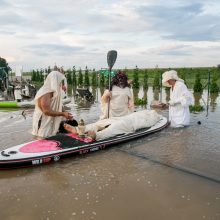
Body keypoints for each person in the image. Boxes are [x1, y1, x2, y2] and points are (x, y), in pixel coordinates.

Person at [64, 109, 162, 141]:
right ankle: (79, 129)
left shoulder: (154, 117)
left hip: (131, 123)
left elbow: (148, 122)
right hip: (126, 117)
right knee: (104, 122)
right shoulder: (146, 111)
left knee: (116, 127)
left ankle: (97, 135)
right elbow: (133, 112)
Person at [32, 70, 73, 138]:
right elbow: (46, 111)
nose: (61, 84)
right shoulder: (45, 93)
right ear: (55, 81)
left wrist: (65, 112)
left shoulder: (54, 92)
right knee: (41, 138)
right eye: (59, 81)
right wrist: (62, 114)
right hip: (42, 122)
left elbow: (58, 105)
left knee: (49, 137)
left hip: (49, 122)